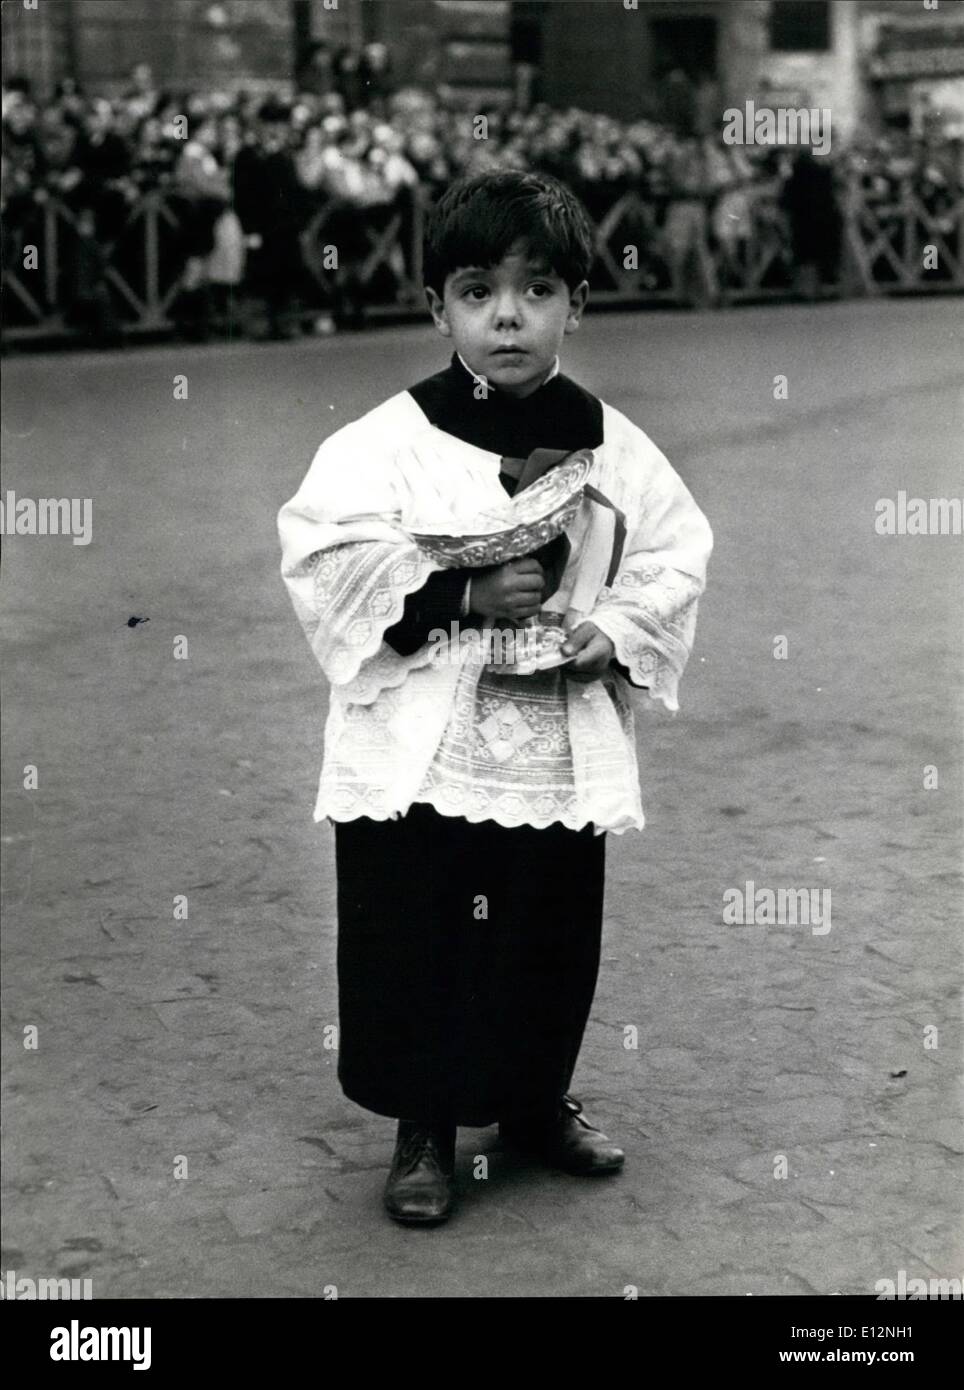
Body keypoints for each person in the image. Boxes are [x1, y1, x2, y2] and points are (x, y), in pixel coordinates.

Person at [277, 169, 713, 1225]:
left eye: (535, 290)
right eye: (477, 291)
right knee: (418, 923)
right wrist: (460, 588)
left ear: (576, 302)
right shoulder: (386, 439)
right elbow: (324, 553)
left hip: (552, 728)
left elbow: (672, 551)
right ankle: (421, 1122)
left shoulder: (613, 441)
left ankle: (528, 1097)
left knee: (542, 919)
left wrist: (606, 629)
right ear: (437, 308)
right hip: (423, 734)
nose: (507, 315)